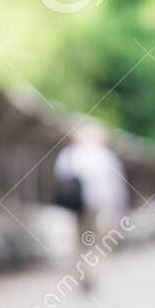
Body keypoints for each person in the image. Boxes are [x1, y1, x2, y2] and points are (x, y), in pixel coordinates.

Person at [52, 121, 128, 292]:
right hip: (96, 206)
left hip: (74, 207)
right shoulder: (104, 155)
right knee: (94, 241)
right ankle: (90, 272)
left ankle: (84, 272)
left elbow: (60, 178)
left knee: (79, 241)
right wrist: (116, 210)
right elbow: (115, 186)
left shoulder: (68, 154)